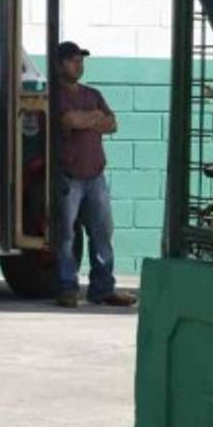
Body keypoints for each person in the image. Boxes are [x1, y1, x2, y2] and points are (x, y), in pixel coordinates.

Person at [55, 42, 137, 309]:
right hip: (68, 177)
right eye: (73, 61)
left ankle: (102, 289)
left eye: (81, 61)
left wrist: (87, 119)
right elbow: (69, 120)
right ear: (59, 64)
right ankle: (67, 289)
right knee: (66, 237)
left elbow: (112, 124)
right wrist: (95, 118)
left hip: (95, 177)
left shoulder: (92, 94)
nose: (79, 66)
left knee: (102, 235)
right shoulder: (55, 95)